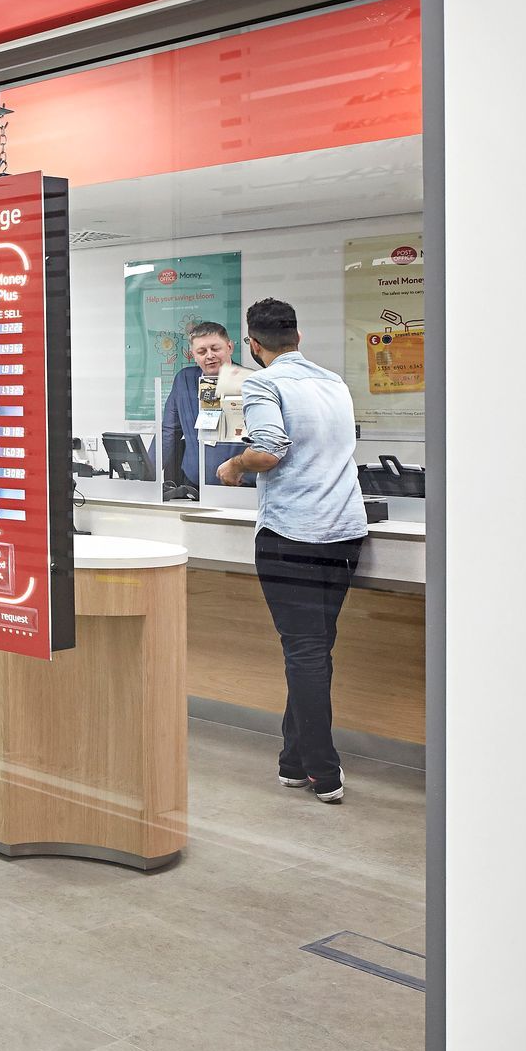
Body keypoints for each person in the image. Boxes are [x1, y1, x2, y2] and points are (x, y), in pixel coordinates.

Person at [217, 297, 366, 802]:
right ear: (298, 338)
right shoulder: (334, 383)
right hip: (345, 531)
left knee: (305, 651)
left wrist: (236, 465)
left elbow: (270, 450)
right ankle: (293, 761)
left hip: (293, 533)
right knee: (315, 648)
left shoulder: (263, 381)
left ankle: (324, 771)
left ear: (253, 346)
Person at [160, 320, 239, 496]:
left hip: (237, 485)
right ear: (193, 355)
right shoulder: (184, 380)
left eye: (215, 349)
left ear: (229, 347)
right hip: (193, 484)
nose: (209, 356)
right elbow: (169, 431)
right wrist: (146, 476)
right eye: (202, 351)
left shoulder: (249, 381)